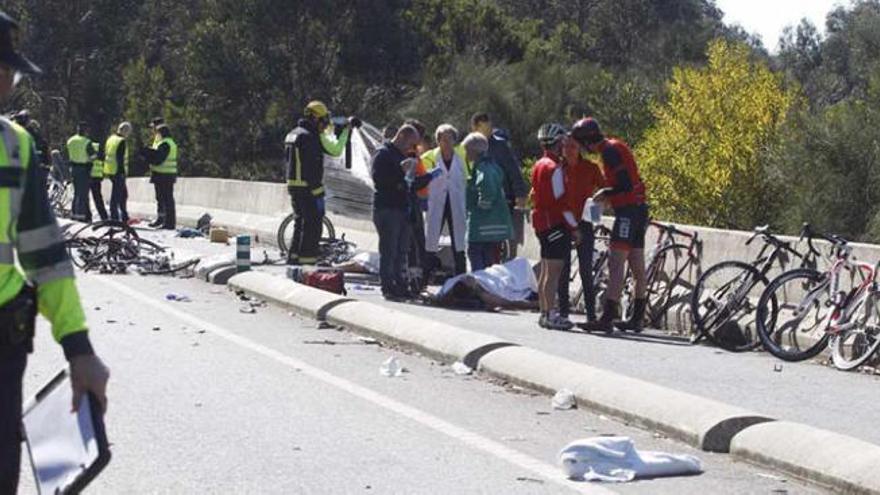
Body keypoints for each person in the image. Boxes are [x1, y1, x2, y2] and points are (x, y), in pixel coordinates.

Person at [0, 12, 109, 492]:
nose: (5, 83)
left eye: (8, 72)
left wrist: (78, 347)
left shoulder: (15, 147)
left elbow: (45, 255)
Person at [572, 118, 649, 333]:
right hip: (638, 210)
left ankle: (607, 317)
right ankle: (638, 318)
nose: (581, 149)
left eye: (580, 143)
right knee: (637, 266)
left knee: (616, 264)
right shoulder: (615, 146)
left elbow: (623, 184)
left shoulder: (609, 151)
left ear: (587, 141)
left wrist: (605, 193)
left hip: (628, 213)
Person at [283, 100, 360, 265]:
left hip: (294, 186)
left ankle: (294, 260)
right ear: (316, 119)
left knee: (300, 224)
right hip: (309, 188)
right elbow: (334, 150)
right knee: (313, 227)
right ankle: (307, 264)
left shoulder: (294, 133)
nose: (325, 125)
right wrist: (346, 131)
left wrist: (341, 125)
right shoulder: (310, 137)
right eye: (324, 120)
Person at [530, 123, 578, 331]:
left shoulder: (539, 164)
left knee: (546, 269)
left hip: (541, 222)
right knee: (554, 273)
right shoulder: (555, 167)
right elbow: (561, 201)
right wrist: (574, 227)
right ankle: (551, 315)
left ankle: (543, 312)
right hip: (554, 223)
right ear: (558, 143)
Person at [557, 128, 606, 323]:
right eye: (566, 146)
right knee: (563, 268)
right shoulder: (557, 169)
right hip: (562, 223)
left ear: (580, 149)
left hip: (584, 223)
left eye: (573, 146)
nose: (569, 150)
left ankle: (591, 315)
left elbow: (604, 191)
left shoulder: (591, 168)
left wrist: (596, 210)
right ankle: (563, 312)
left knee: (586, 268)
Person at [371, 125, 422, 300]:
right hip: (387, 208)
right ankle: (388, 287)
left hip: (402, 208)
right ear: (401, 136)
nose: (411, 149)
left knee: (402, 251)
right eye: (411, 144)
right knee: (389, 250)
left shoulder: (402, 155)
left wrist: (423, 178)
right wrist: (401, 171)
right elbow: (379, 179)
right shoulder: (383, 153)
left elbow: (408, 183)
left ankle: (401, 285)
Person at [471, 113, 528, 257]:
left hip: (501, 200)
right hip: (478, 202)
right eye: (485, 127)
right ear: (475, 127)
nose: (489, 130)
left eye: (490, 126)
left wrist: (520, 193)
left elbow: (513, 170)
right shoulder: (469, 146)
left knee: (499, 239)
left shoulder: (500, 146)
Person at [421, 124, 468, 277]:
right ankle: (425, 277)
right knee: (431, 241)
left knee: (459, 243)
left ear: (455, 140)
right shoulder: (429, 158)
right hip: (436, 204)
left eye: (450, 138)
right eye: (443, 139)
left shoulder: (462, 159)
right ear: (438, 140)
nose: (447, 142)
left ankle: (461, 278)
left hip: (456, 204)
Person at [462, 132, 513, 271]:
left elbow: (487, 188)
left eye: (467, 151)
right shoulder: (492, 165)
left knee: (478, 263)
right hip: (493, 227)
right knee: (491, 265)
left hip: (482, 228)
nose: (466, 155)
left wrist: (482, 206)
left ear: (473, 151)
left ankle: (479, 289)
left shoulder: (483, 169)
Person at [402, 119, 436, 292]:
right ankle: (413, 280)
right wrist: (429, 177)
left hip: (416, 201)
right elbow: (412, 181)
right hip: (410, 202)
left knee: (416, 243)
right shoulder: (409, 153)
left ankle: (417, 279)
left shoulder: (414, 151)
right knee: (413, 244)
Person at [140, 123, 179, 229]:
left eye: (156, 133)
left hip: (164, 175)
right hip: (163, 175)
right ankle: (164, 221)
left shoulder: (166, 144)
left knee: (167, 200)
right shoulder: (165, 143)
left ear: (161, 133)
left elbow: (158, 159)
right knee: (162, 199)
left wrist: (147, 154)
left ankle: (169, 223)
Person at [65, 122, 97, 222]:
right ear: (86, 131)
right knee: (83, 194)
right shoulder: (86, 142)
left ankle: (74, 213)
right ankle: (81, 215)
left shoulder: (70, 141)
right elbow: (92, 156)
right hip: (83, 169)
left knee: (76, 192)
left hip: (73, 169)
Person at [104, 122, 133, 222]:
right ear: (125, 131)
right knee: (117, 195)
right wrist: (122, 172)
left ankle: (124, 215)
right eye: (128, 132)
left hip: (110, 170)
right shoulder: (121, 141)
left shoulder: (111, 139)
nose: (128, 134)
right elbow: (119, 158)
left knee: (123, 194)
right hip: (118, 171)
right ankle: (114, 217)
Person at [88, 140, 109, 222]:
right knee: (98, 198)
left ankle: (87, 216)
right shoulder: (100, 148)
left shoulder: (87, 146)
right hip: (97, 176)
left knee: (85, 198)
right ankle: (104, 217)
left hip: (88, 175)